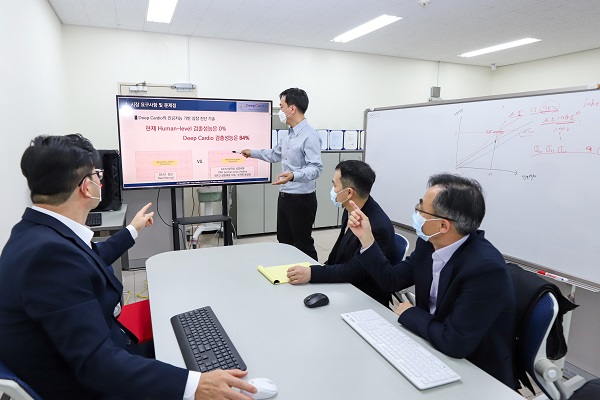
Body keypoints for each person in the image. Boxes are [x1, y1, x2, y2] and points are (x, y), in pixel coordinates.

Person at [0, 134, 256, 400]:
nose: (102, 179)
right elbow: (98, 364)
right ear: (87, 187)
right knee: (204, 360)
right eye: (98, 174)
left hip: (97, 358)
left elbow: (90, 256)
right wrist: (195, 387)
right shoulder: (49, 257)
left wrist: (132, 229)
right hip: (94, 384)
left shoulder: (37, 232)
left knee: (190, 343)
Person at [346, 173, 516, 388]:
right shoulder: (429, 244)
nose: (416, 212)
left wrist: (409, 313)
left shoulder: (485, 269)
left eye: (421, 209)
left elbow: (455, 342)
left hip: (473, 371)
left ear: (443, 225)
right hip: (430, 345)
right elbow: (391, 280)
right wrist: (366, 239)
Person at [286, 160, 396, 306]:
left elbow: (355, 270)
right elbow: (338, 253)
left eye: (334, 185)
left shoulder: (377, 226)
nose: (333, 189)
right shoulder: (351, 209)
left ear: (349, 192)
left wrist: (313, 274)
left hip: (363, 297)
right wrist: (320, 269)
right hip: (344, 284)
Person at [241, 88, 322, 260]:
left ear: (292, 109)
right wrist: (252, 152)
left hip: (302, 199)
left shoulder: (310, 136)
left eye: (281, 106)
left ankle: (314, 276)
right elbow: (274, 154)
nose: (280, 111)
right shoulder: (288, 136)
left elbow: (316, 168)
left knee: (303, 244)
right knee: (284, 241)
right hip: (285, 196)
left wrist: (293, 175)